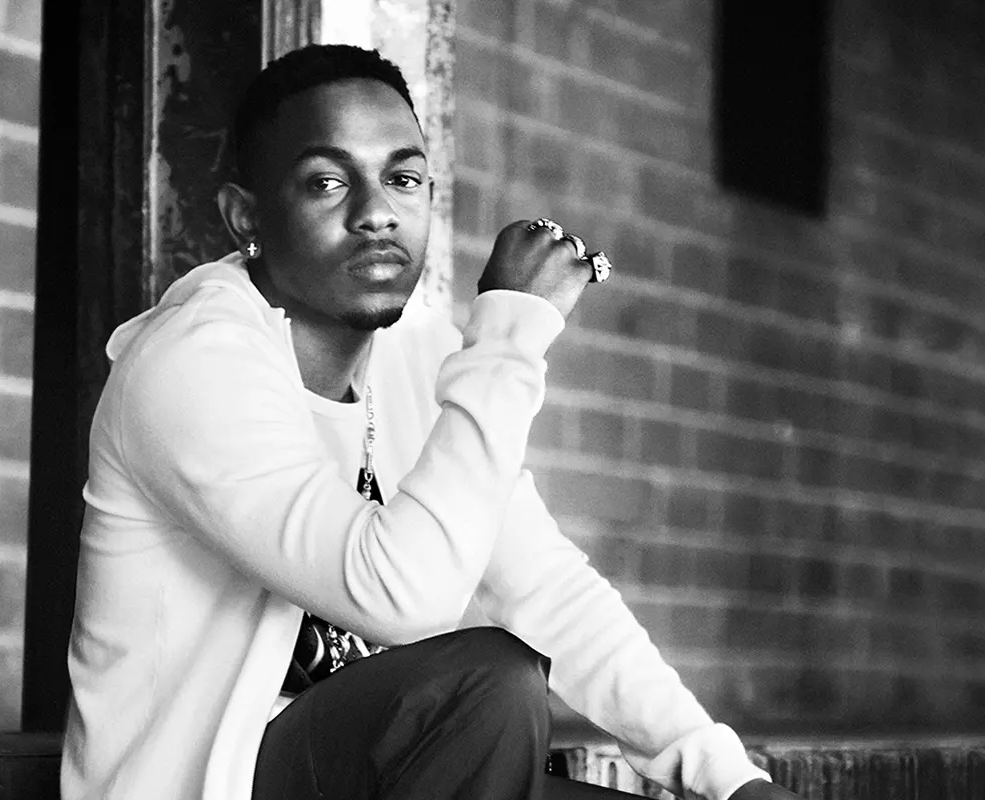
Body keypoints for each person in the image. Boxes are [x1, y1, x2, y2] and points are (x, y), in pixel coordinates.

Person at [61, 44, 804, 800]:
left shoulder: (417, 357)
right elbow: (400, 599)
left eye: (403, 178)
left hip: (373, 777)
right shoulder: (193, 362)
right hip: (208, 783)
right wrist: (511, 336)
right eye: (326, 182)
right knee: (488, 687)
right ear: (245, 216)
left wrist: (729, 778)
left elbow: (546, 587)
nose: (376, 212)